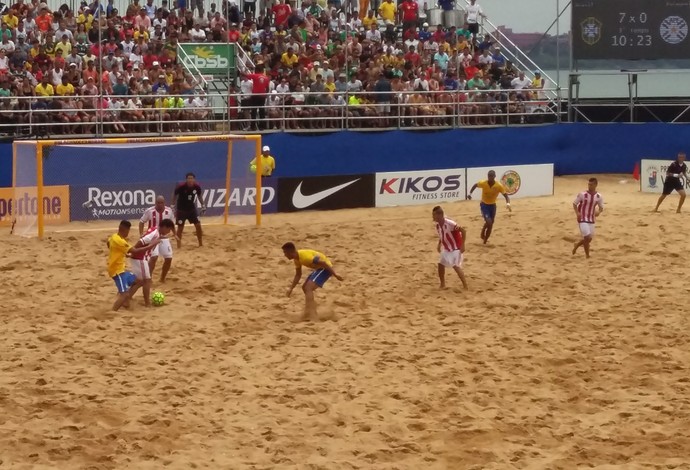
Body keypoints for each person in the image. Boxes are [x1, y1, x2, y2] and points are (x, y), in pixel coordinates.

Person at [106, 220, 160, 311]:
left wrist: (120, 253)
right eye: (128, 231)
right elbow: (136, 251)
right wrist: (152, 245)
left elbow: (108, 243)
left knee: (139, 281)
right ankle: (112, 311)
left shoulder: (114, 237)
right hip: (117, 272)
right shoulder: (120, 241)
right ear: (124, 230)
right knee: (124, 294)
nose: (128, 233)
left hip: (121, 270)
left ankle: (126, 302)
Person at [282, 242, 344, 320]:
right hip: (319, 269)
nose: (285, 255)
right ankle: (311, 310)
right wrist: (291, 288)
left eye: (285, 253)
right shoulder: (297, 259)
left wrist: (335, 274)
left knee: (308, 288)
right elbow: (298, 275)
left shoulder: (305, 257)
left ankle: (311, 313)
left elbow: (324, 263)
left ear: (290, 252)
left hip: (325, 269)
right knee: (304, 287)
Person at [130, 219, 176, 306]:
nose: (168, 232)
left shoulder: (156, 231)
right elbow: (141, 241)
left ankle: (126, 296)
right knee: (147, 281)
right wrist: (132, 251)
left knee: (139, 280)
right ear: (164, 227)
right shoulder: (155, 233)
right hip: (139, 258)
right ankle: (147, 303)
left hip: (139, 258)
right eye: (168, 229)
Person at [467, 170, 511, 244]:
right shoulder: (483, 183)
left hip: (493, 206)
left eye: (491, 176)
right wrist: (470, 194)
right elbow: (475, 185)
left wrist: (508, 204)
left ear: (494, 176)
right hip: (484, 205)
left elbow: (506, 195)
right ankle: (483, 233)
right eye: (489, 176)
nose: (490, 178)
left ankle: (485, 240)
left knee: (491, 223)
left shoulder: (498, 186)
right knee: (489, 222)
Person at [139, 195, 175, 282]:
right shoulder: (150, 211)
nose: (160, 204)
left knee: (169, 258)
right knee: (154, 258)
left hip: (164, 238)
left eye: (161, 203)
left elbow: (171, 224)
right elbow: (141, 221)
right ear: (155, 203)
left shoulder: (169, 211)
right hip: (153, 237)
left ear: (164, 203)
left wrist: (175, 234)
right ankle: (149, 278)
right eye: (158, 203)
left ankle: (162, 278)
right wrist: (141, 234)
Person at [432, 206, 468, 289]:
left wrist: (463, 245)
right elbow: (442, 235)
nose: (433, 217)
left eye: (434, 215)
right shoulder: (438, 225)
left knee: (456, 266)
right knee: (440, 265)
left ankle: (465, 286)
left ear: (440, 215)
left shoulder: (450, 223)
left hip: (456, 248)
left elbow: (463, 231)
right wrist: (439, 244)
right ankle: (442, 284)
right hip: (447, 249)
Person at [572, 177, 604, 259]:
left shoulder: (598, 196)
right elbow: (575, 204)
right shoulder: (582, 194)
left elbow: (601, 207)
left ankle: (577, 245)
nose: (589, 186)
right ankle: (587, 255)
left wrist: (599, 212)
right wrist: (577, 213)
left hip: (591, 219)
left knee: (589, 239)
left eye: (591, 184)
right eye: (589, 184)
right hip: (582, 218)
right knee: (587, 237)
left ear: (596, 185)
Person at [172, 172, 206, 248]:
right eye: (188, 178)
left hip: (191, 209)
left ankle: (200, 244)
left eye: (192, 178)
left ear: (194, 179)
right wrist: (172, 205)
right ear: (186, 179)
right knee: (180, 227)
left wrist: (203, 206)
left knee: (198, 225)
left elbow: (199, 196)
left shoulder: (197, 187)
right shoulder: (181, 187)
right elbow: (174, 195)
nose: (190, 180)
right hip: (181, 210)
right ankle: (179, 246)